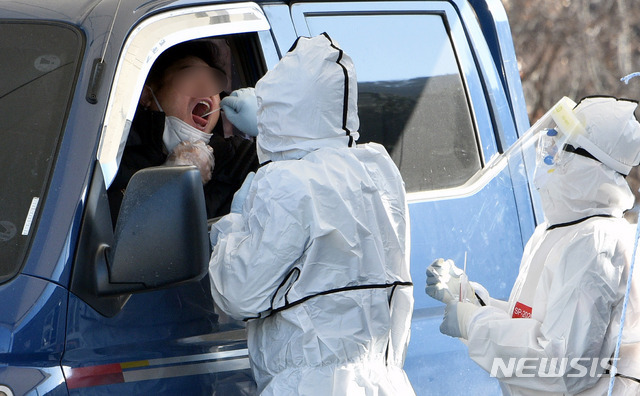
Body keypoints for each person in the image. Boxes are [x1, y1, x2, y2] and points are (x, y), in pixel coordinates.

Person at [207, 34, 415, 395]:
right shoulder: (377, 168)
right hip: (382, 379)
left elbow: (239, 293)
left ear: (278, 107)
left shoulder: (285, 183)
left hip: (309, 385)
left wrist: (232, 227)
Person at [426, 96, 640, 395]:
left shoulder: (596, 243)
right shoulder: (556, 231)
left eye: (560, 145)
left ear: (591, 165)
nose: (547, 151)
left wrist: (473, 323)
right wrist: (471, 300)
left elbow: (562, 367)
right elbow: (530, 321)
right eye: (550, 139)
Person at [107, 39, 259, 224]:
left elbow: (297, 184)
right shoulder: (113, 161)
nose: (205, 88)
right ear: (147, 95)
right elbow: (102, 231)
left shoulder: (237, 158)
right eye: (190, 76)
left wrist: (271, 125)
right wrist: (165, 183)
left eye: (211, 80)